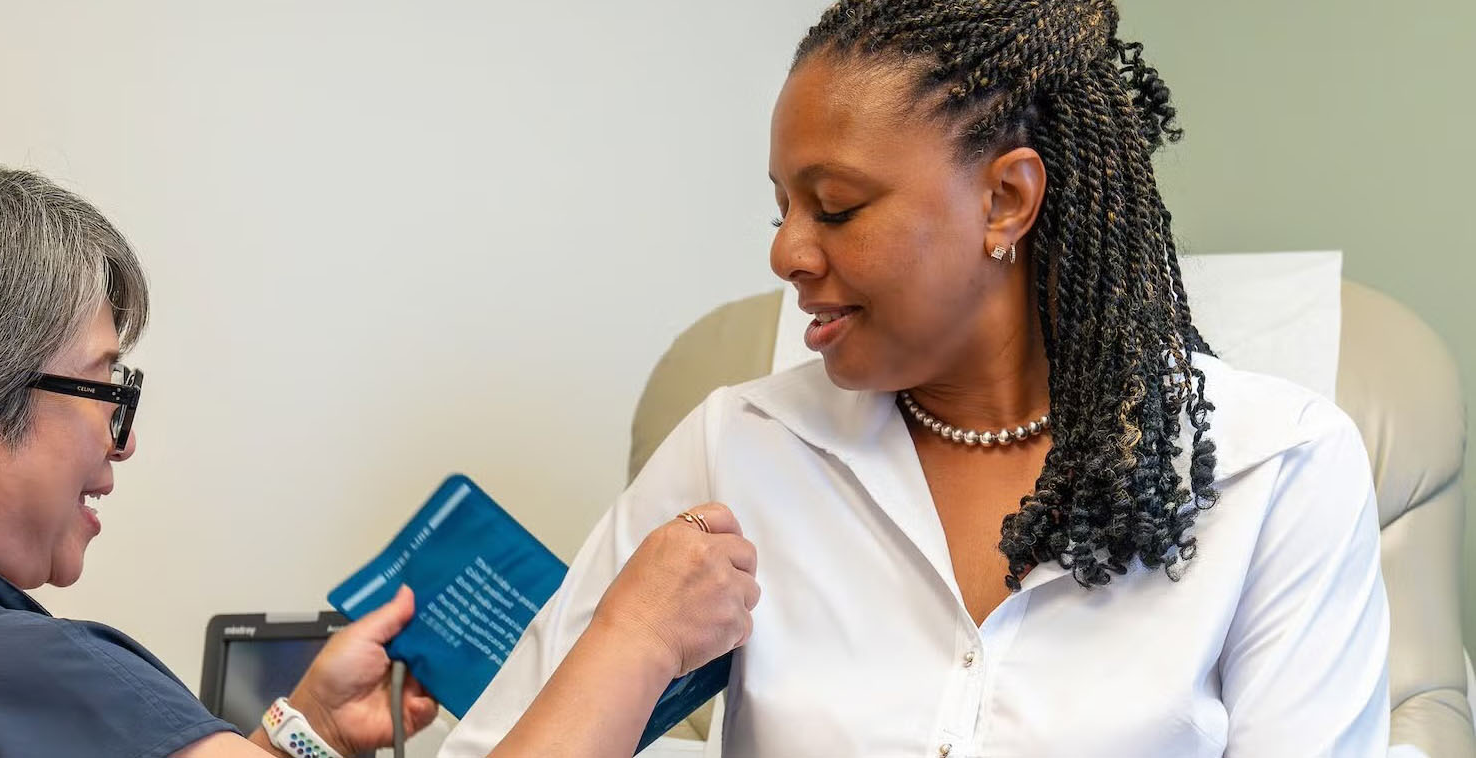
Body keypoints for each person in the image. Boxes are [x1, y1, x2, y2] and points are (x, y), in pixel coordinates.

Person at [441, 2, 1390, 756]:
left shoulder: (1276, 472)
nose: (785, 252)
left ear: (1005, 199)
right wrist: (634, 639)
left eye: (836, 207)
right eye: (780, 207)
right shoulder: (736, 449)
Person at [0, 137, 761, 758]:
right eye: (101, 386)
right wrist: (636, 636)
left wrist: (304, 725)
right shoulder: (5, 671)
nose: (117, 439)